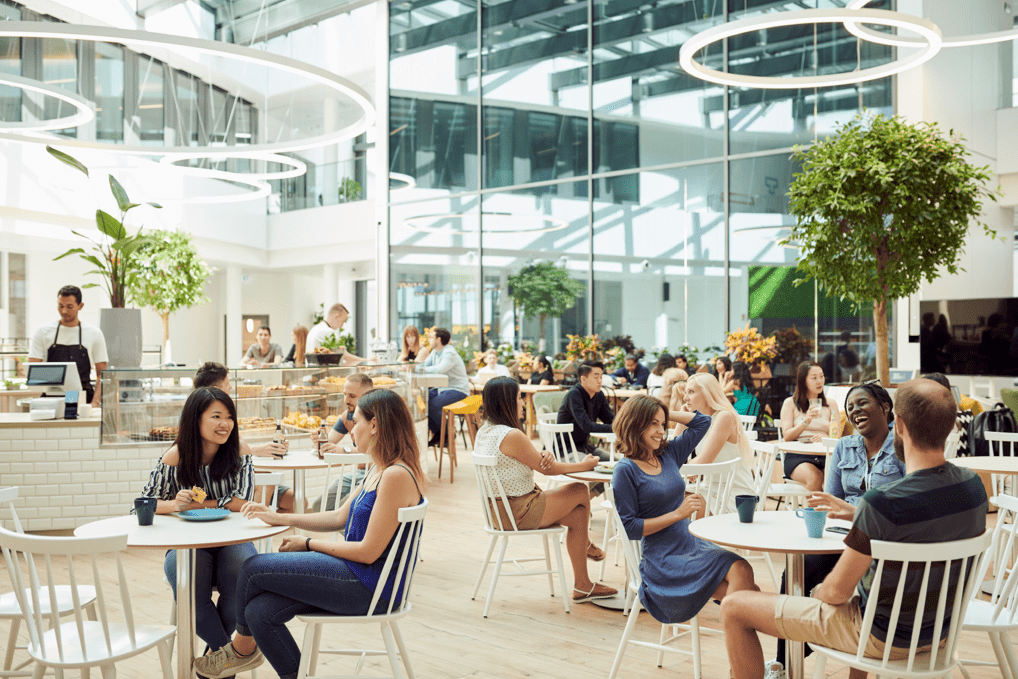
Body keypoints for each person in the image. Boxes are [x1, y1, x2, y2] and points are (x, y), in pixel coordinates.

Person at [721, 379, 988, 679]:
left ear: (898, 425)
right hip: (940, 633)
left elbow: (836, 592)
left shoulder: (882, 503)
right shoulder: (973, 487)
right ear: (951, 426)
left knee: (733, 606)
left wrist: (817, 592)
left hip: (880, 636)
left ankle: (781, 666)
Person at [193, 388, 426, 679]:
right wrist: (280, 516)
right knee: (259, 612)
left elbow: (368, 552)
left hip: (371, 588)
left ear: (375, 425)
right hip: (357, 574)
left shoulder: (395, 475)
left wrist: (307, 543)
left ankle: (239, 651)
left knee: (252, 569)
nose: (350, 428)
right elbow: (339, 517)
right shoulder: (380, 468)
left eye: (356, 421)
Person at [768, 382, 904, 679]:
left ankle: (804, 639)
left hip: (884, 540)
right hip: (843, 535)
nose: (855, 410)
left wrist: (853, 511)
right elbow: (830, 500)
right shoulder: (844, 446)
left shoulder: (902, 447)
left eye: (862, 403)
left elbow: (906, 506)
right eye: (850, 407)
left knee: (844, 587)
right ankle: (784, 663)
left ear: (885, 407)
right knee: (797, 572)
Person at [612, 395, 759, 626]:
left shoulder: (668, 453)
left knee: (744, 581)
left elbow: (702, 422)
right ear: (634, 423)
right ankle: (751, 659)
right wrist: (678, 514)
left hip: (690, 543)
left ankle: (742, 662)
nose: (661, 431)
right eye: (653, 424)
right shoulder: (625, 470)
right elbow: (630, 528)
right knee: (745, 586)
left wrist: (662, 412)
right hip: (663, 558)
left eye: (663, 424)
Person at [474, 377, 617, 603]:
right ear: (505, 402)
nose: (522, 404)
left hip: (500, 512)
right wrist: (584, 465)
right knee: (580, 489)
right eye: (518, 398)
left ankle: (583, 586)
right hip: (517, 511)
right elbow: (548, 471)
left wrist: (544, 455)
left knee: (579, 515)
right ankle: (587, 545)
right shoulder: (512, 435)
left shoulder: (486, 431)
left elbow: (522, 460)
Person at [139, 387, 256, 657]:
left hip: (232, 538)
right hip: (187, 541)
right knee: (188, 587)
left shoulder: (240, 452)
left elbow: (243, 500)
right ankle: (225, 659)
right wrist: (175, 504)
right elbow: (143, 505)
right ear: (196, 419)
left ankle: (218, 663)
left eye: (229, 417)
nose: (225, 424)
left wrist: (196, 504)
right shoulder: (175, 457)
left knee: (242, 577)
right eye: (216, 416)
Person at [193, 362, 296, 512]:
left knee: (297, 501)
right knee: (265, 481)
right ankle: (256, 524)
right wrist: (256, 450)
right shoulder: (199, 421)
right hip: (231, 490)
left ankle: (263, 523)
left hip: (244, 484)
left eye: (228, 418)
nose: (231, 387)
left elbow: (235, 446)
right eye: (227, 384)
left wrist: (270, 448)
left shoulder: (225, 416)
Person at [682, 373, 757, 511]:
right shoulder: (703, 420)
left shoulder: (724, 417)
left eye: (691, 392)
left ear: (708, 394)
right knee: (663, 501)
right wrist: (682, 415)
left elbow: (701, 463)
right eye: (685, 392)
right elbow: (674, 452)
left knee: (669, 504)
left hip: (734, 495)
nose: (685, 398)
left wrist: (671, 468)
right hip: (709, 489)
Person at [28, 285, 108, 407]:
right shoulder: (43, 332)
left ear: (80, 306)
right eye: (61, 306)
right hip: (51, 398)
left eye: (69, 307)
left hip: (82, 398)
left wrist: (95, 402)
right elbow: (33, 370)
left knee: (75, 421)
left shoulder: (94, 333)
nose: (64, 311)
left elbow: (102, 374)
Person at [306, 373, 374, 512]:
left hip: (377, 473)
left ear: (368, 395)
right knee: (319, 505)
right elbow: (329, 442)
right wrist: (318, 439)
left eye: (352, 396)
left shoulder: (378, 418)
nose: (346, 400)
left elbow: (377, 451)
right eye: (345, 395)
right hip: (360, 473)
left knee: (345, 508)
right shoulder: (347, 416)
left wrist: (344, 450)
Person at [779, 361, 840, 492]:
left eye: (821, 376)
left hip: (826, 455)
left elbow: (837, 435)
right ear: (803, 381)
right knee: (815, 477)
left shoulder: (831, 404)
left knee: (843, 477)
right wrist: (805, 421)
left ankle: (834, 512)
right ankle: (814, 513)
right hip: (798, 456)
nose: (819, 381)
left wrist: (826, 436)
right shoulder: (790, 403)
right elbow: (787, 436)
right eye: (814, 378)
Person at [416, 327, 471, 447]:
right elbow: (423, 365)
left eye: (431, 337)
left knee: (434, 404)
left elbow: (440, 369)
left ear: (438, 339)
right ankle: (438, 433)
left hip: (458, 390)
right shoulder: (435, 352)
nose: (429, 340)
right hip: (443, 389)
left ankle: (447, 435)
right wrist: (416, 367)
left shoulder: (449, 353)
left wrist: (420, 369)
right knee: (422, 401)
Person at [557, 360, 614, 461]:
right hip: (566, 450)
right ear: (583, 379)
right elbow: (586, 426)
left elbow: (610, 419)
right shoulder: (574, 395)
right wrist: (615, 428)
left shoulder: (599, 395)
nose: (600, 381)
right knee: (593, 465)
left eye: (601, 377)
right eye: (596, 377)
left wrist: (621, 425)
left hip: (585, 448)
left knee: (617, 462)